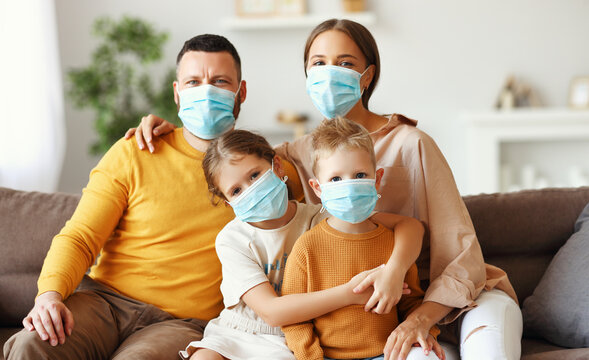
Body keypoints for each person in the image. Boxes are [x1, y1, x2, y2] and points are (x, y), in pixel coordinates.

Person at [4, 33, 420, 360]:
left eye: (220, 82)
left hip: (183, 323)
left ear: (240, 93)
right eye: (194, 82)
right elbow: (79, 236)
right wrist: (49, 296)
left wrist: (394, 269)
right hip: (105, 302)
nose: (207, 91)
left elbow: (341, 197)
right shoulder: (134, 151)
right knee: (30, 346)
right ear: (177, 92)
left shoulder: (272, 169)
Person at [128, 19, 523, 360]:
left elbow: (460, 254)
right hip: (367, 313)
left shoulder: (412, 144)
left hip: (446, 299)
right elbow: (238, 160)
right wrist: (168, 134)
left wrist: (417, 314)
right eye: (318, 63)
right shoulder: (298, 153)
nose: (329, 73)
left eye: (345, 63)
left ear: (366, 76)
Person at [180, 129, 424, 360]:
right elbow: (271, 311)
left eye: (254, 175)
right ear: (227, 202)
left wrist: (394, 270)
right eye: (236, 190)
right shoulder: (232, 239)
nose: (251, 189)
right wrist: (350, 294)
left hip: (290, 336)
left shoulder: (322, 217)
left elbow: (410, 226)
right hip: (239, 330)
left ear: (276, 166)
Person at [281, 117, 443, 360]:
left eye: (359, 175)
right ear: (317, 188)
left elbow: (411, 302)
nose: (349, 186)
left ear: (376, 179)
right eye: (336, 179)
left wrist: (422, 329)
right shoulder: (307, 247)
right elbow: (295, 320)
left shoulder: (392, 242)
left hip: (387, 354)